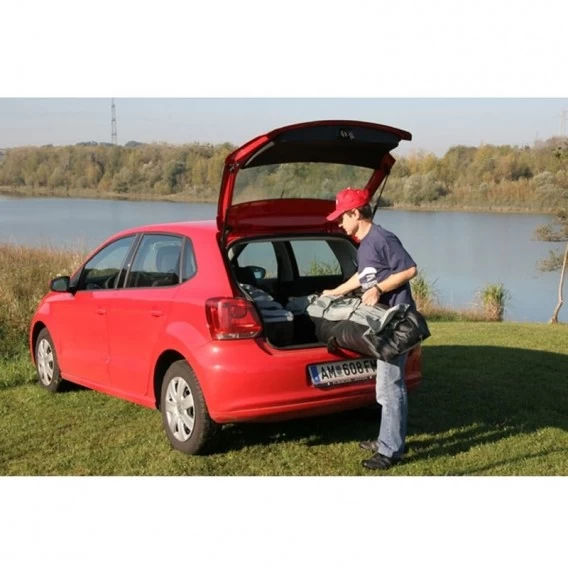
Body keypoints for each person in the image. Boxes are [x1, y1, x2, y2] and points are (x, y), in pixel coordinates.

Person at [322, 187, 417, 470]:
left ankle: (390, 451)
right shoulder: (365, 244)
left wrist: (378, 289)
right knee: (385, 387)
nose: (339, 223)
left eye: (342, 217)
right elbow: (362, 276)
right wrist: (335, 291)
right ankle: (387, 439)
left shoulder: (382, 238)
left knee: (390, 388)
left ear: (355, 213)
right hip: (381, 322)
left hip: (396, 324)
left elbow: (409, 269)